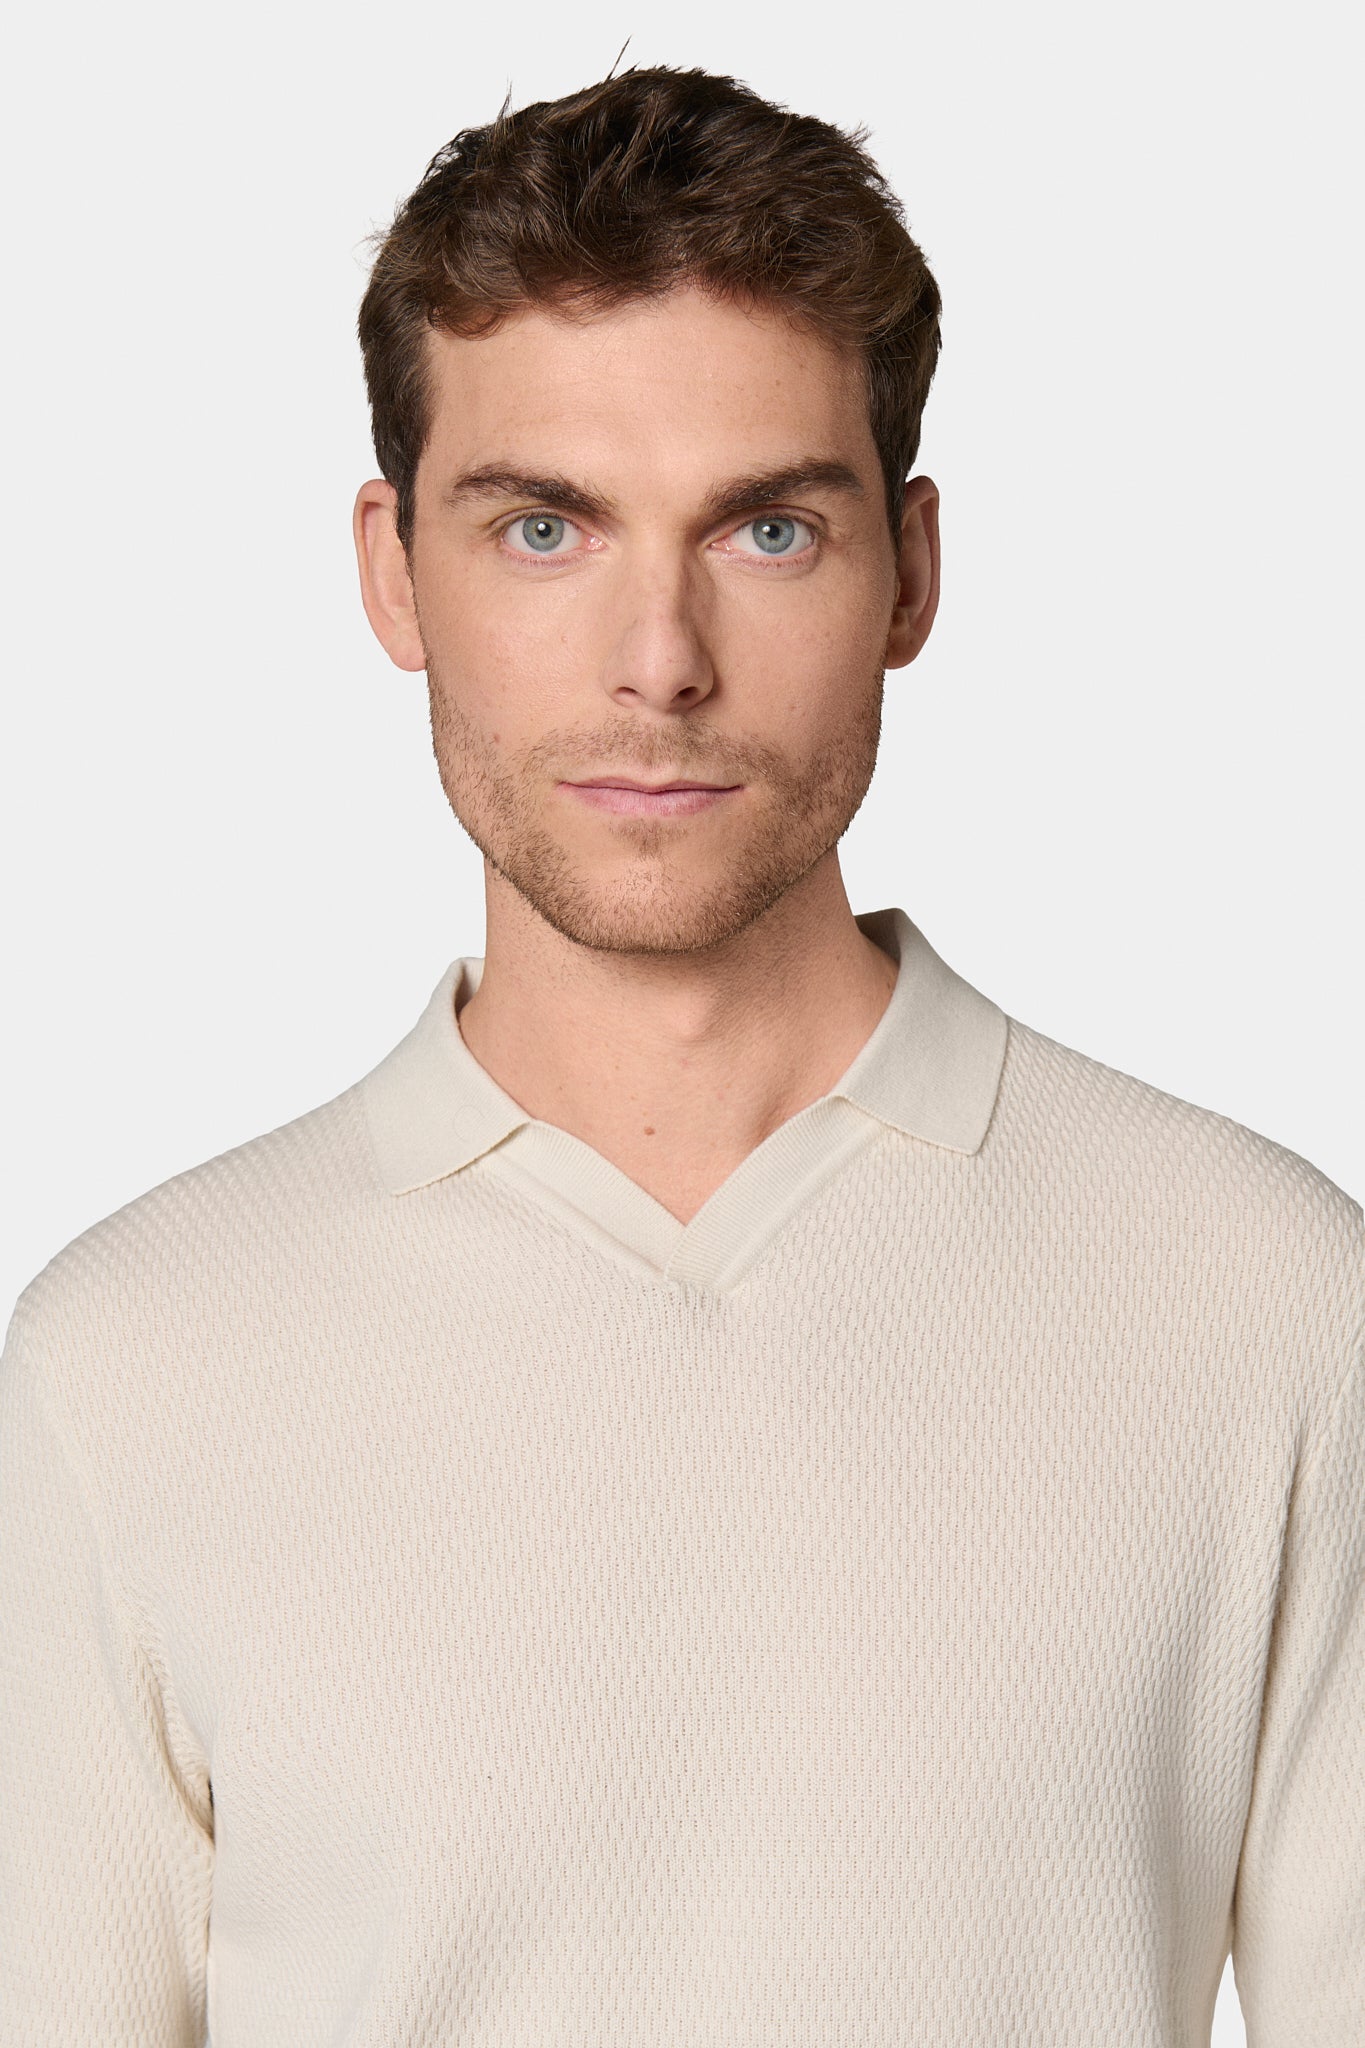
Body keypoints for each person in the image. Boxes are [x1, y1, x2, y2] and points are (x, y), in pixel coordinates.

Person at [1, 63, 1360, 2048]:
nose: (659, 660)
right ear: (392, 569)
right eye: (544, 527)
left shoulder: (1259, 1293)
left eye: (767, 530)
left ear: (909, 571)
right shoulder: (132, 1356)